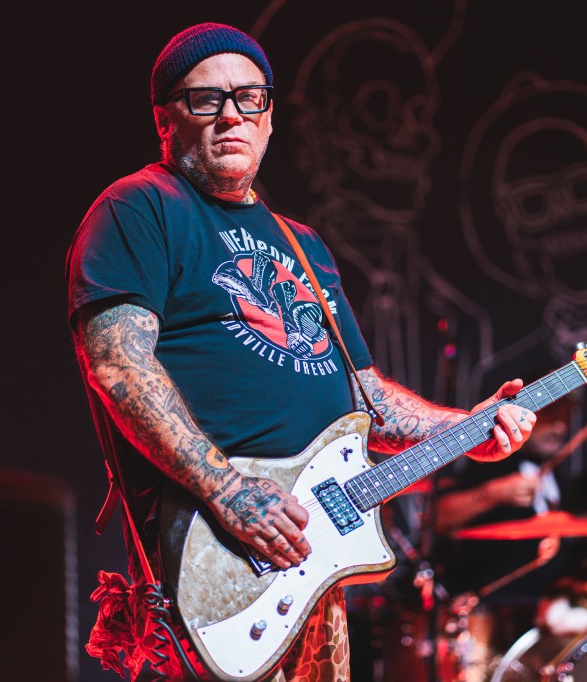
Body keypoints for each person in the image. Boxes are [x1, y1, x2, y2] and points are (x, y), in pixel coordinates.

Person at [65, 22, 536, 682]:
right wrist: (226, 488)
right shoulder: (141, 208)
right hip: (214, 545)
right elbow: (118, 365)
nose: (230, 114)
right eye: (205, 100)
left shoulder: (304, 245)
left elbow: (365, 399)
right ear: (164, 120)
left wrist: (470, 428)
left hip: (305, 560)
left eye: (248, 97)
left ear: (269, 116)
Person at [430, 398, 587, 681]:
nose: (560, 426)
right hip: (499, 613)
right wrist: (491, 494)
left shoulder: (557, 473)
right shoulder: (491, 461)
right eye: (550, 416)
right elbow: (438, 517)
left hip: (552, 609)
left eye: (565, 418)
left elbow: (560, 530)